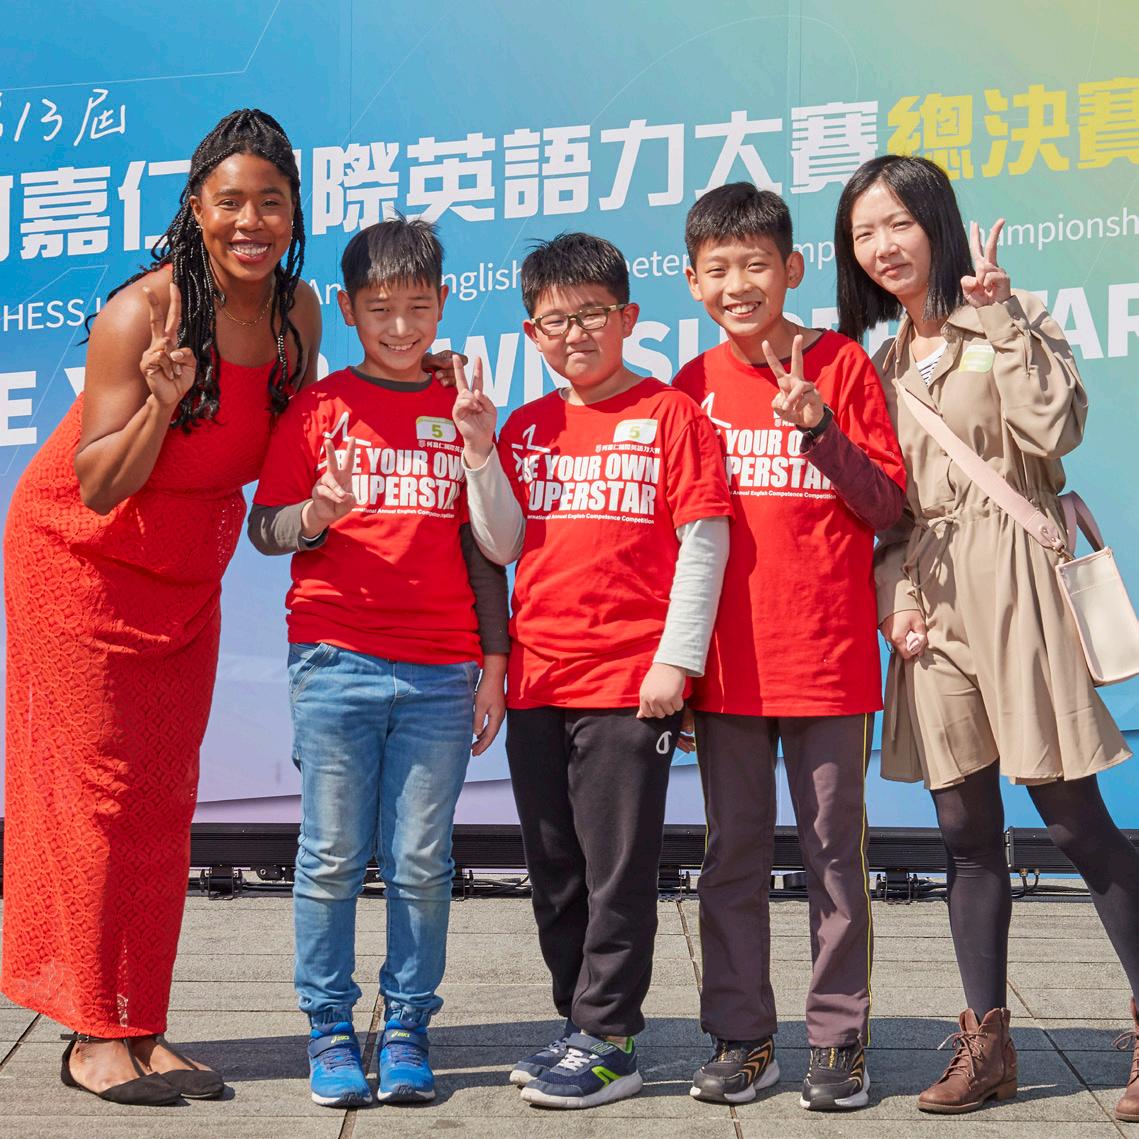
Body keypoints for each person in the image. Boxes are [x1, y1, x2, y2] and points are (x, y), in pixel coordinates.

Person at [2, 108, 321, 1105]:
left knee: (163, 795)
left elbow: (292, 450)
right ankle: (91, 1032)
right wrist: (160, 399)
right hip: (80, 560)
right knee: (96, 794)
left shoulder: (298, 313)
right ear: (195, 207)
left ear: (293, 211)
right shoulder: (141, 314)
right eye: (230, 201)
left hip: (185, 572)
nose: (251, 221)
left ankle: (142, 1019)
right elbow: (100, 482)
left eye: (270, 201)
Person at [835, 153, 1139, 1122]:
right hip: (931, 604)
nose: (882, 246)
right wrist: (893, 597)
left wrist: (1001, 317)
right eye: (862, 233)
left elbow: (1053, 433)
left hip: (1016, 578)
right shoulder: (879, 366)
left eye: (897, 223)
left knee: (1071, 817)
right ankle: (987, 1045)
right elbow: (887, 509)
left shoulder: (1010, 315)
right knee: (963, 833)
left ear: (937, 222)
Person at [451, 231, 732, 1109]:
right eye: (553, 321)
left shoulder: (670, 415)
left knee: (617, 870)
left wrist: (676, 662)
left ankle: (611, 1038)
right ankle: (577, 1021)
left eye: (591, 315)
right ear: (530, 333)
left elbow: (704, 543)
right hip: (538, 681)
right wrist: (480, 451)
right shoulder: (526, 426)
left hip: (628, 685)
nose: (573, 333)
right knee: (555, 869)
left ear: (628, 317)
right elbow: (500, 543)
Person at [248, 217, 509, 1108]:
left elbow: (485, 550)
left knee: (422, 859)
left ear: (442, 303)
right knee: (329, 856)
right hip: (334, 661)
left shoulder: (460, 404)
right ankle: (328, 1029)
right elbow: (265, 528)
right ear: (349, 309)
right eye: (380, 308)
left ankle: (406, 1027)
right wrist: (316, 514)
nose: (400, 326)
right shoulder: (318, 410)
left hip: (441, 670)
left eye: (417, 307)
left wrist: (494, 660)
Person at [672, 182, 905, 1112]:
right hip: (727, 669)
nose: (738, 285)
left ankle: (838, 1038)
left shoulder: (842, 365)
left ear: (792, 269)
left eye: (755, 265)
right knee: (730, 856)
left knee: (832, 858)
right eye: (718, 269)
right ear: (693, 282)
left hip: (828, 661)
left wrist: (818, 428)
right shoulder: (688, 386)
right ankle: (742, 1036)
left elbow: (884, 505)